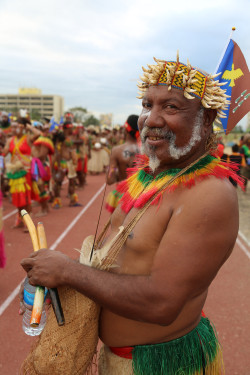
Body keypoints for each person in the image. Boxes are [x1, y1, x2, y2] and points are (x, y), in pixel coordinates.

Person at [21, 53, 244, 374]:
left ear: (206, 119)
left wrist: (68, 272)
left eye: (171, 107)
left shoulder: (209, 193)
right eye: (147, 104)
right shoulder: (151, 175)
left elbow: (161, 303)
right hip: (121, 359)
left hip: (160, 365)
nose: (151, 119)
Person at [3, 118, 41, 228]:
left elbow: (38, 133)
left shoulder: (28, 138)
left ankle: (28, 222)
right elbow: (4, 153)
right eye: (13, 127)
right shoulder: (10, 140)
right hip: (14, 173)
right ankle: (20, 218)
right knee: (17, 197)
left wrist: (29, 127)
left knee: (26, 198)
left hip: (26, 172)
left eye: (17, 126)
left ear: (22, 127)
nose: (14, 129)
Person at [106, 114, 140, 213]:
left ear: (125, 130)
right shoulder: (147, 150)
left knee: (117, 227)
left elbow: (109, 179)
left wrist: (118, 174)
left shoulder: (117, 151)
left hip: (122, 196)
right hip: (141, 196)